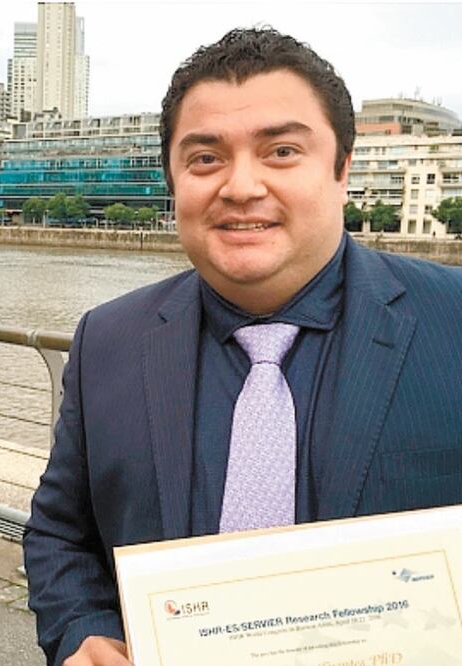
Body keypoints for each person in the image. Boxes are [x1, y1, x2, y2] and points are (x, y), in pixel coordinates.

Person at [23, 27, 462, 666]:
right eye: (205, 158)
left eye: (281, 151)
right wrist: (81, 631)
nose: (240, 186)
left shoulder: (453, 321)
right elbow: (61, 533)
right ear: (174, 182)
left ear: (342, 169)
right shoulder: (108, 341)